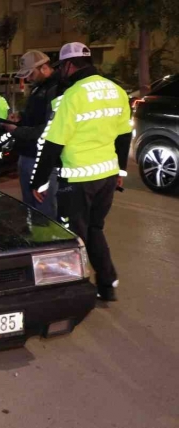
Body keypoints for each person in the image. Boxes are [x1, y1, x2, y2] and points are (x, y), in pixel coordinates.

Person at [30, 42, 131, 302]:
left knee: (72, 235)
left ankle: (72, 290)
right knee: (94, 229)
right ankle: (107, 284)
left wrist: (38, 182)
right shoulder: (116, 90)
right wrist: (120, 170)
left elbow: (53, 143)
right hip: (107, 175)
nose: (60, 71)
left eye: (61, 66)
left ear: (69, 65)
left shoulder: (72, 96)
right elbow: (123, 135)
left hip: (77, 178)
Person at [0, 50, 64, 218]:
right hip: (28, 154)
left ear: (43, 68)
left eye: (31, 74)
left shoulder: (57, 89)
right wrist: (21, 117)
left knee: (44, 212)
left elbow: (51, 126)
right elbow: (36, 116)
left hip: (42, 159)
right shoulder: (39, 87)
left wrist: (17, 131)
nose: (28, 79)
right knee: (30, 209)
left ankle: (46, 242)